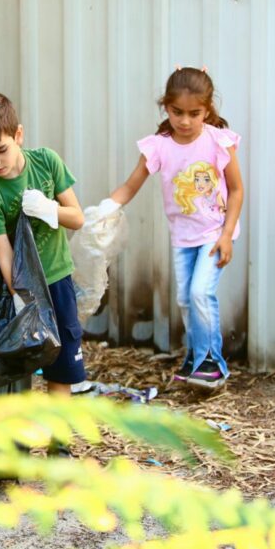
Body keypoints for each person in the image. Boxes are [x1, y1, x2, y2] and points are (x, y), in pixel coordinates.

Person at [102, 67, 244, 390]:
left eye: (195, 113)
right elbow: (131, 184)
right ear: (165, 106)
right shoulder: (160, 146)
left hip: (214, 232)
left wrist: (227, 233)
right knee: (184, 298)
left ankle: (212, 363)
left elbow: (236, 190)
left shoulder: (218, 142)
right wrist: (104, 210)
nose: (185, 121)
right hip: (183, 236)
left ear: (207, 110)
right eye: (177, 112)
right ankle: (195, 359)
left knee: (200, 292)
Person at [0, 91, 86, 398]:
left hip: (56, 280)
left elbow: (78, 218)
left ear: (18, 135)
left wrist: (49, 209)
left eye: (0, 150)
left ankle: (59, 444)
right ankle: (17, 442)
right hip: (19, 291)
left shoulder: (46, 162)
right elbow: (4, 254)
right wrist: (23, 297)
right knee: (20, 367)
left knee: (62, 365)